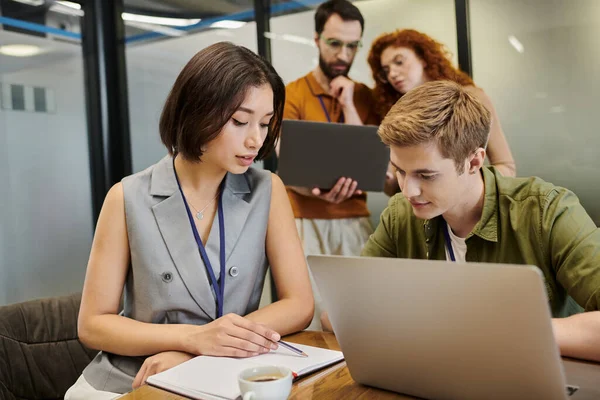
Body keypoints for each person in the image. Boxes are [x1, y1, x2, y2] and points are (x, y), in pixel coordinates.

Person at [65, 42, 314, 399]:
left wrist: (206, 349)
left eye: (265, 123)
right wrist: (191, 339)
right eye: (240, 121)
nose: (256, 140)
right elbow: (92, 325)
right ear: (197, 111)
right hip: (132, 380)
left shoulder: (267, 190)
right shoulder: (127, 197)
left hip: (225, 374)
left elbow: (300, 304)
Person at [321, 80, 600, 363]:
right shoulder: (399, 215)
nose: (408, 191)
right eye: (400, 171)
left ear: (474, 162)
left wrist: (497, 330)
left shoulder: (547, 211)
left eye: (426, 175)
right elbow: (335, 315)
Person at [280, 0, 378, 330]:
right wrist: (319, 192)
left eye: (353, 46)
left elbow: (369, 162)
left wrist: (349, 102)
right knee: (307, 319)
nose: (344, 55)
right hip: (303, 221)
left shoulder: (366, 97)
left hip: (354, 221)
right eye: (335, 43)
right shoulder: (291, 94)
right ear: (317, 39)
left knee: (358, 319)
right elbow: (288, 166)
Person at [368, 29, 516, 196]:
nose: (393, 74)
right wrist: (389, 175)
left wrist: (464, 194)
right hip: (420, 214)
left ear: (423, 58)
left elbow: (506, 166)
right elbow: (393, 190)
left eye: (399, 62)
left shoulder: (470, 98)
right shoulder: (398, 114)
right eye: (386, 70)